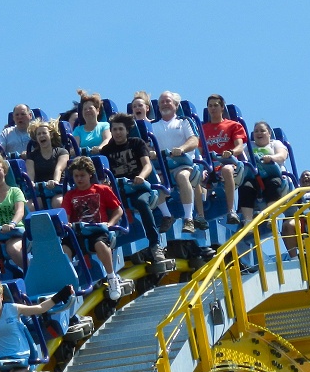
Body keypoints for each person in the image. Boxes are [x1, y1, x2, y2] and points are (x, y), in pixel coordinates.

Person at [61, 156, 125, 301]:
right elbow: (66, 215)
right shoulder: (70, 195)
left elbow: (118, 210)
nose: (79, 179)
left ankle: (111, 277)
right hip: (78, 232)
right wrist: (68, 223)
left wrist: (110, 224)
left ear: (90, 174)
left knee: (100, 244)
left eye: (82, 175)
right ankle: (69, 282)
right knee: (65, 249)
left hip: (97, 230)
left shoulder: (102, 189)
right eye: (76, 176)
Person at [102, 113, 163, 260]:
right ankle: (109, 245)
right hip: (118, 190)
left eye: (120, 129)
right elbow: (103, 175)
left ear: (127, 131)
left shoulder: (137, 143)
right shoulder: (106, 151)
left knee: (141, 202)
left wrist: (141, 177)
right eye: (114, 129)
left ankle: (155, 244)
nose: (117, 132)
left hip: (138, 188)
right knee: (106, 207)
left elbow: (147, 165)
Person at [151, 91, 206, 233]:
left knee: (182, 176)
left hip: (183, 164)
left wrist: (181, 149)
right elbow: (148, 145)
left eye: (168, 101)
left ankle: (188, 219)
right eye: (162, 102)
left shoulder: (184, 121)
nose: (164, 104)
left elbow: (194, 140)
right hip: (162, 166)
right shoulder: (153, 126)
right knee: (154, 181)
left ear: (176, 105)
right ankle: (167, 215)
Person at [202, 94, 248, 225]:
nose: (213, 108)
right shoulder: (203, 129)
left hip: (229, 164)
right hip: (210, 165)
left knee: (227, 170)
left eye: (216, 105)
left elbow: (239, 146)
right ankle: (199, 214)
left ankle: (230, 211)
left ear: (222, 107)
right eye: (210, 106)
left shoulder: (233, 126)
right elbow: (199, 151)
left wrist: (231, 152)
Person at [237, 121, 290, 230]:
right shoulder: (248, 147)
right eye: (256, 131)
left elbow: (282, 155)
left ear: (269, 133)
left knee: (273, 184)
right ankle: (248, 221)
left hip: (272, 174)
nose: (258, 133)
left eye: (262, 130)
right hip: (254, 176)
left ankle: (271, 217)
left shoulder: (275, 143)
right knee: (246, 186)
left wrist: (271, 158)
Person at [25, 119, 70, 209]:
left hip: (58, 189)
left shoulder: (61, 152)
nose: (42, 136)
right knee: (30, 206)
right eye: (39, 134)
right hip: (40, 191)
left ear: (51, 135)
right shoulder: (32, 156)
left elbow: (59, 169)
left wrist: (55, 181)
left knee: (58, 202)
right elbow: (30, 173)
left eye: (44, 133)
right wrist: (31, 183)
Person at [72, 90, 111, 155]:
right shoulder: (78, 130)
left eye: (90, 108)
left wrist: (99, 148)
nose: (87, 111)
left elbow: (107, 139)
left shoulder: (104, 125)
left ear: (97, 111)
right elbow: (75, 147)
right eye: (85, 109)